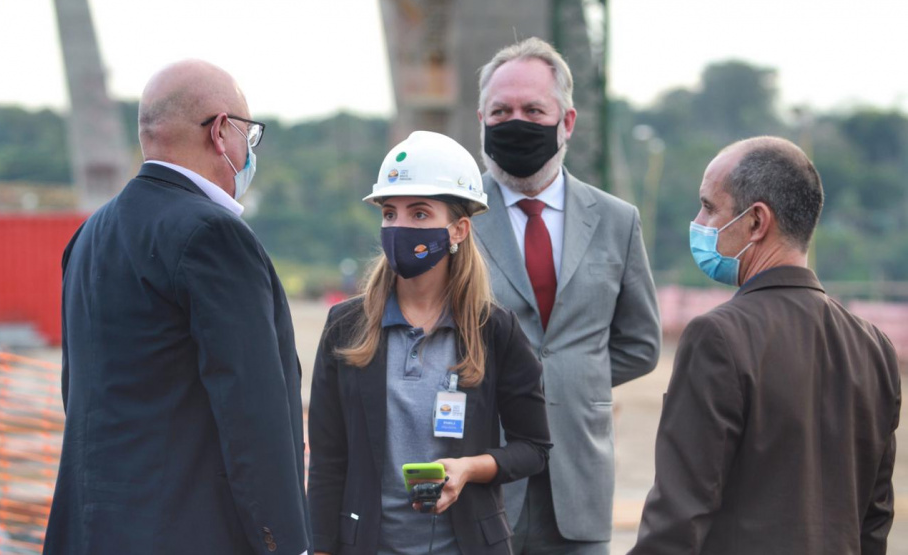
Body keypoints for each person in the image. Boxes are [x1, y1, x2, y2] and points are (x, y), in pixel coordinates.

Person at [43, 60, 312, 555]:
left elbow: (78, 394)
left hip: (88, 532)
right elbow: (253, 413)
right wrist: (284, 542)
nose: (248, 150)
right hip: (187, 533)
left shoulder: (89, 235)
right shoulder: (213, 234)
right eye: (248, 134)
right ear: (221, 131)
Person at [629, 136, 901, 554]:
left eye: (708, 206)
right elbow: (874, 519)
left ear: (756, 222)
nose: (699, 221)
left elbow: (679, 517)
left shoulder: (718, 336)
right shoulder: (875, 348)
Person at [308, 130, 552, 555]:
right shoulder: (344, 327)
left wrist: (470, 469)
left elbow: (534, 448)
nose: (399, 227)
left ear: (458, 230)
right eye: (389, 213)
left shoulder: (495, 330)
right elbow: (329, 462)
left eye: (419, 214)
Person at [472, 38, 661, 554]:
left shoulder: (617, 221)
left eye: (534, 110)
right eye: (501, 111)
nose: (517, 122)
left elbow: (640, 345)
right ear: (482, 120)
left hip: (578, 483)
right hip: (481, 481)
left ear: (568, 121)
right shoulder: (456, 217)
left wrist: (565, 381)